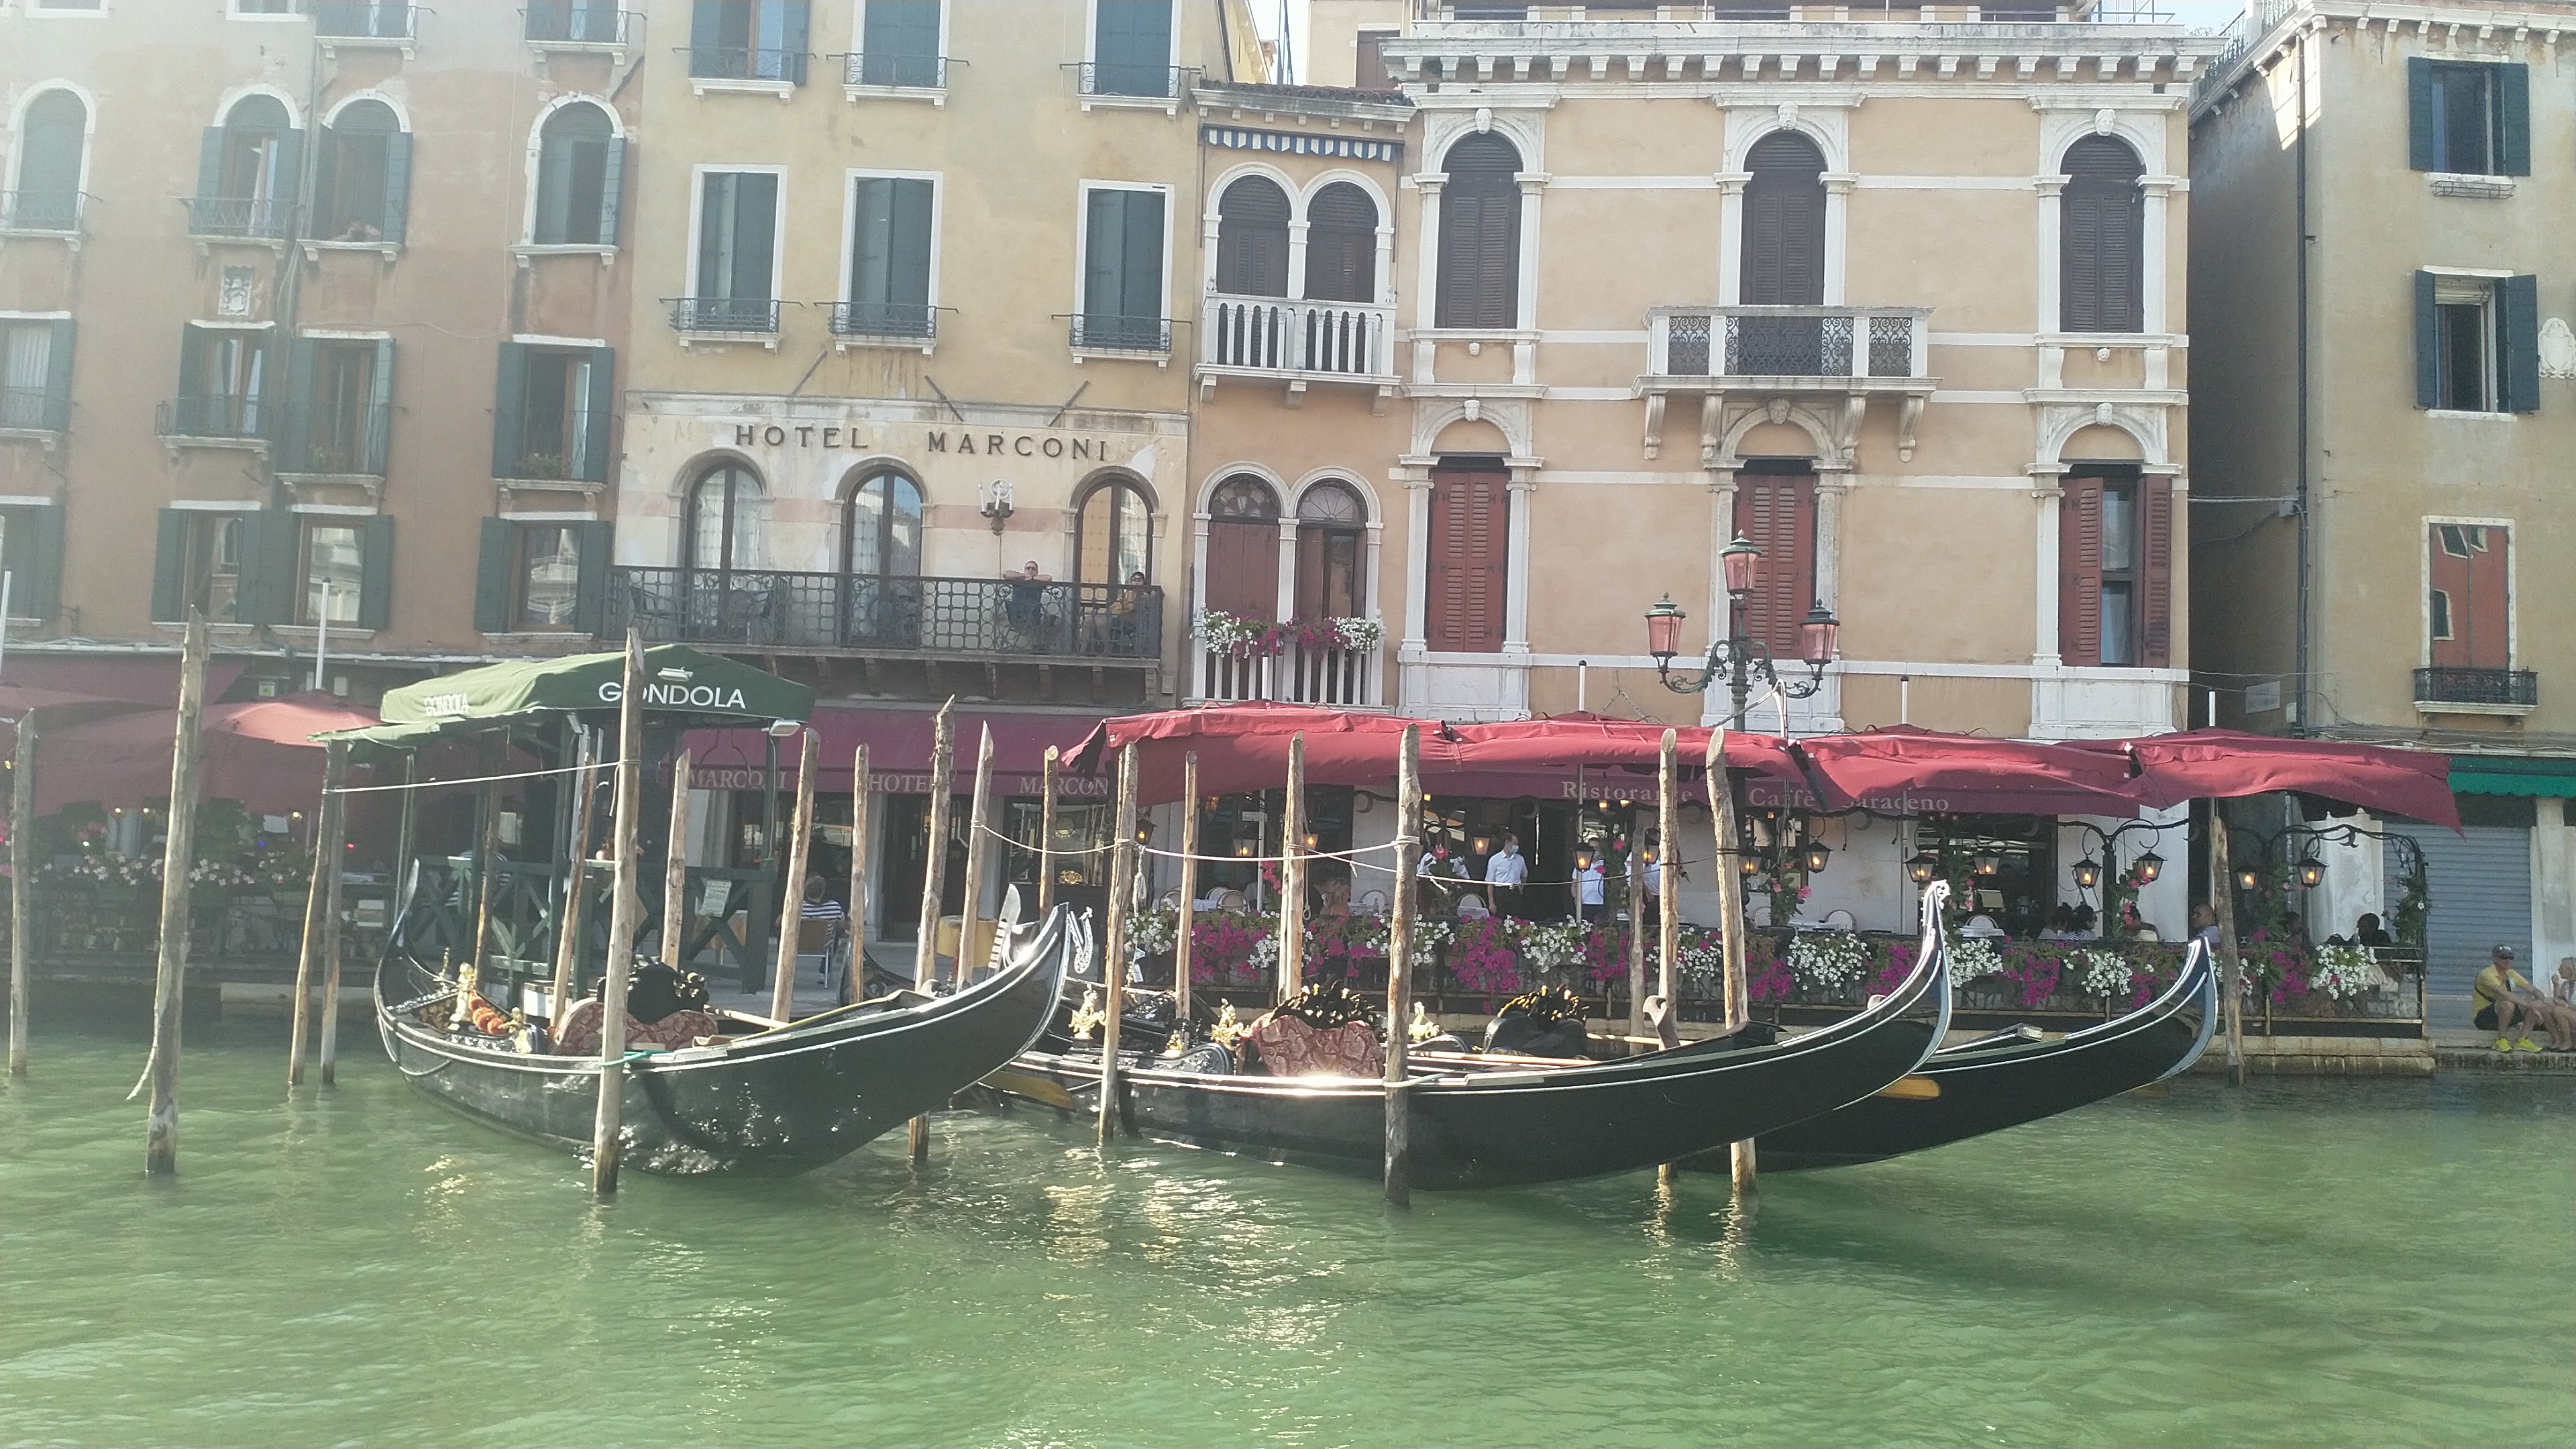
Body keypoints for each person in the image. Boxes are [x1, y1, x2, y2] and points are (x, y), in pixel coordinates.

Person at [2471, 945, 2549, 1053]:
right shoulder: (2487, 974)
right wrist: (2531, 1006)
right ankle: (2500, 1039)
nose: (2508, 960)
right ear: (2495, 959)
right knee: (2508, 1003)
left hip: (2504, 1014)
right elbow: (2506, 995)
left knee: (2534, 1002)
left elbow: (2534, 990)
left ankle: (2522, 1040)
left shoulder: (2511, 974)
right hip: (2483, 1017)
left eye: (2511, 958)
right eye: (2504, 957)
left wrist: (2538, 1002)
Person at [800, 875, 848, 985]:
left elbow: (778, 923)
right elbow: (843, 925)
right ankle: (824, 972)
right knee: (836, 933)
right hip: (823, 944)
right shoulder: (834, 907)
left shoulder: (798, 906)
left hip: (799, 943)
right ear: (823, 891)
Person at [1003, 560, 1051, 644]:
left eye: (1033, 569)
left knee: (1057, 621)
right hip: (1018, 617)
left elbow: (1048, 578)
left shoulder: (1039, 582)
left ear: (1037, 572)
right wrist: (1024, 576)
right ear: (1024, 570)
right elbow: (1005, 574)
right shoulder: (1018, 580)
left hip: (1035, 617)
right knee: (1043, 619)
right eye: (1028, 568)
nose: (1030, 570)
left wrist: (1032, 578)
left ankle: (1042, 644)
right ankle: (1038, 644)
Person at [1484, 832, 1527, 918]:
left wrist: (1520, 888)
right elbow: (1490, 882)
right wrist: (1491, 903)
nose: (1517, 846)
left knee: (1516, 919)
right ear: (1507, 843)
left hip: (1515, 892)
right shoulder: (1495, 859)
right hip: (1501, 892)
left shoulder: (1520, 859)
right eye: (1515, 844)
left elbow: (1524, 875)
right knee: (1500, 918)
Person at [1574, 853, 1605, 924]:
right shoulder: (1580, 863)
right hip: (1585, 902)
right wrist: (1576, 898)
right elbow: (1574, 884)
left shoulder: (1605, 864)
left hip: (1601, 902)